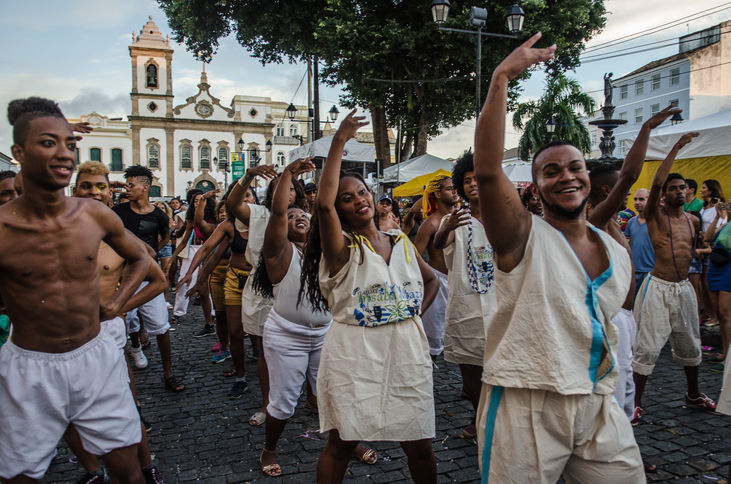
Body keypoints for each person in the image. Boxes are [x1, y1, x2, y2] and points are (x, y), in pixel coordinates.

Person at [473, 36, 644, 482]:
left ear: (588, 177)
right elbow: (488, 171)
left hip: (596, 400)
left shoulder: (614, 250)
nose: (566, 176)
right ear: (534, 188)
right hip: (526, 401)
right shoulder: (522, 237)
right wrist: (502, 77)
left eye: (574, 168)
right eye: (551, 171)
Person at [0, 96, 150, 482]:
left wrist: (117, 302)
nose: (64, 153)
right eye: (49, 142)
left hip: (95, 358)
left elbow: (142, 260)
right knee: (20, 476)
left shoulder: (94, 215)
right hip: (30, 367)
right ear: (18, 152)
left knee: (127, 471)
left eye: (69, 143)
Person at [301, 110, 439, 483]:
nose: (358, 200)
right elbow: (323, 204)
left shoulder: (400, 241)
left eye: (361, 191)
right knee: (342, 443)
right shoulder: (343, 247)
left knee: (421, 445)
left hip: (406, 352)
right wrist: (339, 142)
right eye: (347, 198)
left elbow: (432, 283)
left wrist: (410, 315)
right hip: (354, 354)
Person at [70, 160, 166, 484]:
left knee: (125, 400)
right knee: (68, 408)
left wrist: (118, 306)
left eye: (101, 187)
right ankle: (92, 471)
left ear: (110, 196)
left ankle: (146, 465)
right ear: (75, 190)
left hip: (105, 331)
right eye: (87, 186)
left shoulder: (118, 236)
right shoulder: (57, 231)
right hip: (64, 334)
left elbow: (158, 279)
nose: (95, 193)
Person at [587, 105, 681, 418]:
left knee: (623, 391)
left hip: (624, 317)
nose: (628, 193)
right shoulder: (595, 220)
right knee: (610, 396)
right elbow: (630, 175)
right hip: (609, 318)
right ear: (606, 190)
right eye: (622, 188)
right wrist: (647, 129)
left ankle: (624, 449)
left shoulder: (616, 220)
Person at [631, 133, 718, 424]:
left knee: (691, 343)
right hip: (658, 287)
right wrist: (677, 147)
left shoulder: (692, 220)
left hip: (683, 288)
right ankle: (635, 402)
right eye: (673, 188)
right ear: (665, 193)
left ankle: (693, 394)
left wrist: (704, 251)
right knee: (647, 346)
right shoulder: (655, 214)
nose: (678, 192)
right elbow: (655, 183)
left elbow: (691, 251)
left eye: (682, 188)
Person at [226, 164, 308, 426]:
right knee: (264, 350)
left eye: (292, 188)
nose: (287, 193)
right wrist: (249, 175)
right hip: (263, 289)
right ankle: (267, 403)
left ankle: (314, 397)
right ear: (272, 192)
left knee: (311, 346)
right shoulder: (258, 214)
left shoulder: (304, 217)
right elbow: (232, 203)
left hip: (299, 288)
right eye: (280, 187)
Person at [433, 153, 496, 440]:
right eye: (466, 181)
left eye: (477, 179)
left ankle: (499, 417)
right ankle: (478, 415)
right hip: (466, 305)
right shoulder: (455, 219)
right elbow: (437, 244)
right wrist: (445, 228)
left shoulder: (503, 218)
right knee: (471, 370)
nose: (472, 185)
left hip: (500, 306)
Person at [178, 185, 256, 398]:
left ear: (256, 199)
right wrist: (192, 274)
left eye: (247, 196)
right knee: (235, 332)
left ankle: (261, 362)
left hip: (258, 284)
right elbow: (207, 250)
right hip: (234, 281)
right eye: (240, 198)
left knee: (259, 335)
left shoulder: (267, 222)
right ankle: (241, 377)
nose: (244, 201)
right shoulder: (229, 225)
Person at [113, 165, 184, 392]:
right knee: (126, 324)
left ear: (145, 187)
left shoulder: (159, 215)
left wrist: (149, 253)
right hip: (123, 277)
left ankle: (168, 372)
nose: (127, 188)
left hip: (148, 276)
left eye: (131, 185)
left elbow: (164, 238)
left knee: (161, 326)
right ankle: (130, 361)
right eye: (127, 184)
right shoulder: (118, 212)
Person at [413, 174, 459, 361]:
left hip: (458, 282)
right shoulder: (430, 223)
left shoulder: (461, 218)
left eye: (454, 187)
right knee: (432, 340)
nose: (455, 191)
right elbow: (414, 256)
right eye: (449, 188)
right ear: (438, 195)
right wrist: (429, 277)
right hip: (438, 284)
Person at [169, 189, 216, 333]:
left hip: (211, 250)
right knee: (184, 278)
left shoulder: (213, 217)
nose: (197, 203)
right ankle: (178, 312)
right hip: (194, 249)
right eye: (195, 201)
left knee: (208, 283)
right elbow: (183, 241)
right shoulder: (191, 218)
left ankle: (213, 313)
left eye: (201, 200)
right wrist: (172, 258)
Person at [703, 202, 731, 372]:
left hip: (728, 267)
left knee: (727, 314)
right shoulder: (725, 225)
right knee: (720, 314)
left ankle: (728, 356)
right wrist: (716, 217)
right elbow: (708, 238)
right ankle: (724, 351)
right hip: (716, 267)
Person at [625, 188, 654, 291]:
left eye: (641, 199)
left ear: (649, 200)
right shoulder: (631, 222)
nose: (637, 202)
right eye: (635, 199)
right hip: (634, 270)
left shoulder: (656, 222)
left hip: (651, 272)